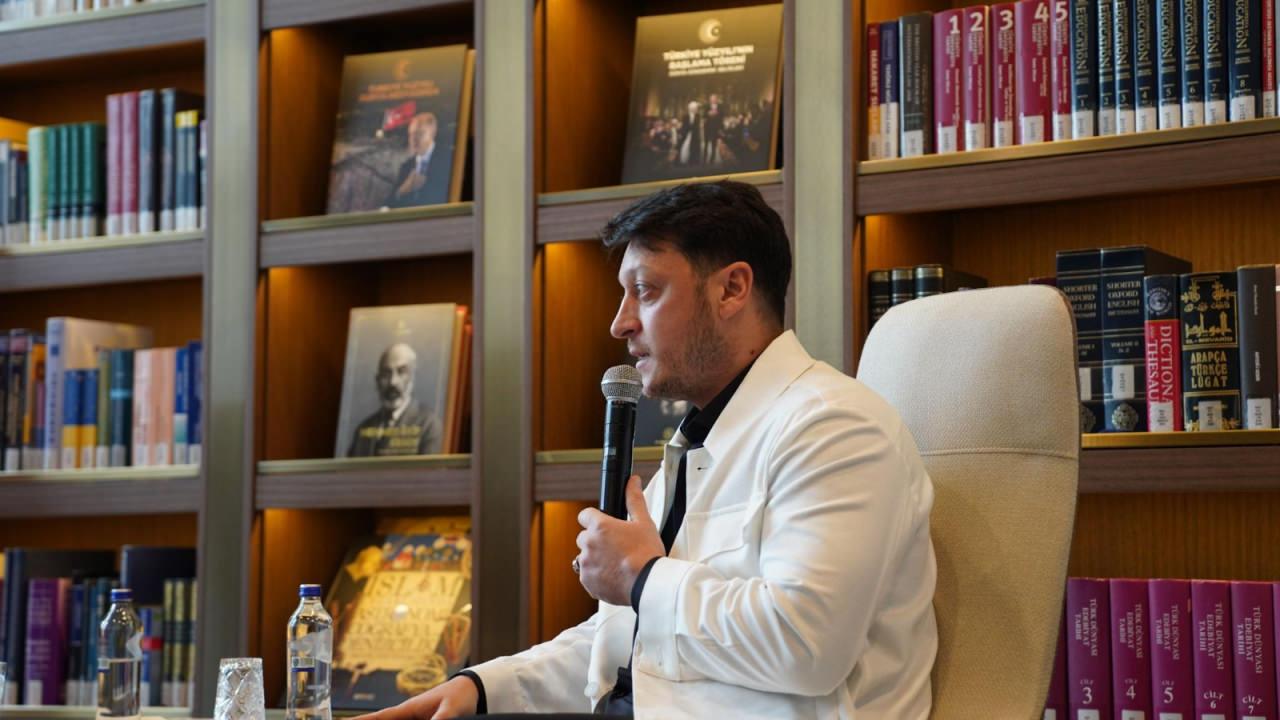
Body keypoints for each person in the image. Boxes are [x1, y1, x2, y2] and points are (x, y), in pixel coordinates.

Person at [357, 181, 937, 719]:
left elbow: (806, 644)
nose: (620, 323)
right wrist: (483, 687)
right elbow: (631, 642)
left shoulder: (834, 427)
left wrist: (641, 575)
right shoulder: (698, 440)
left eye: (646, 291)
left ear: (732, 288)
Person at [347, 342, 441, 457]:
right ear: (377, 380)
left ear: (412, 377)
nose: (393, 382)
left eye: (401, 372)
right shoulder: (363, 429)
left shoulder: (429, 425)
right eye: (386, 374)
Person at [390, 111, 451, 208]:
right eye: (411, 134)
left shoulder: (449, 159)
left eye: (419, 134)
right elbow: (389, 204)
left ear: (433, 133)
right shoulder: (406, 166)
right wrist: (403, 190)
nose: (414, 139)